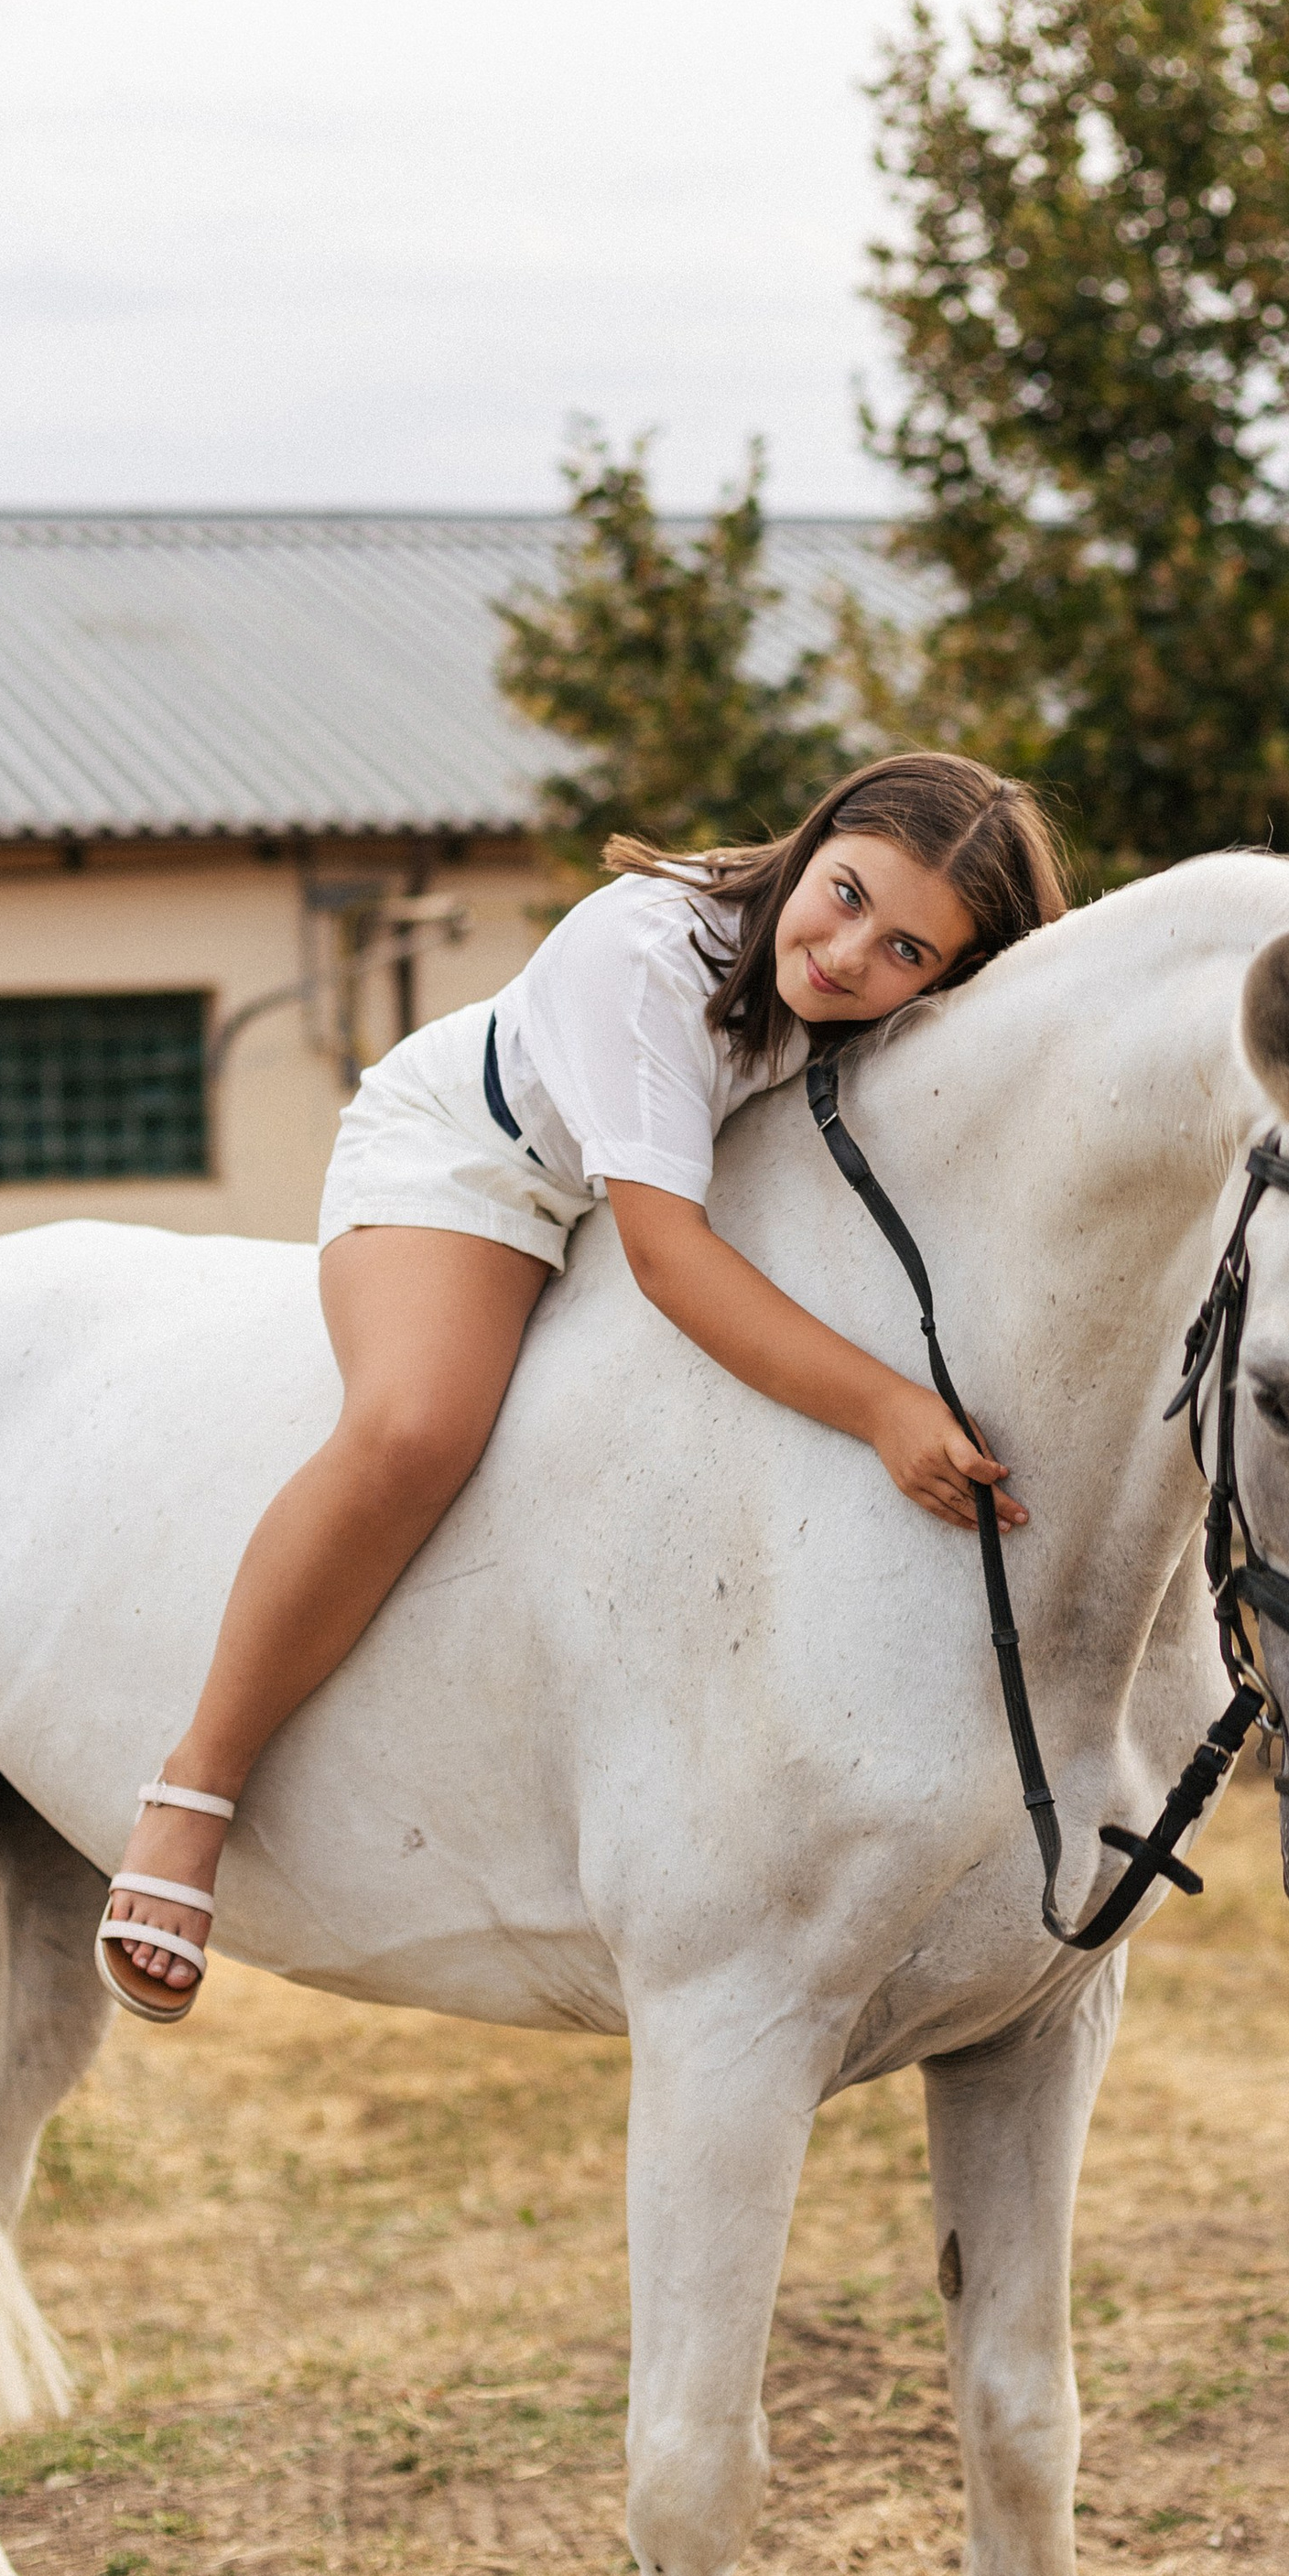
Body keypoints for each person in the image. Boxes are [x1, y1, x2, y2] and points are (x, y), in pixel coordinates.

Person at [95, 751, 1070, 2024]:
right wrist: (887, 1409)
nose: (847, 957)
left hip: (665, 1187)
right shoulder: (644, 951)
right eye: (844, 895)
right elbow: (672, 1262)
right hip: (478, 1167)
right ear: (820, 837)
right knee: (415, 1430)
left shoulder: (871, 999)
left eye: (907, 952)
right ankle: (191, 1794)